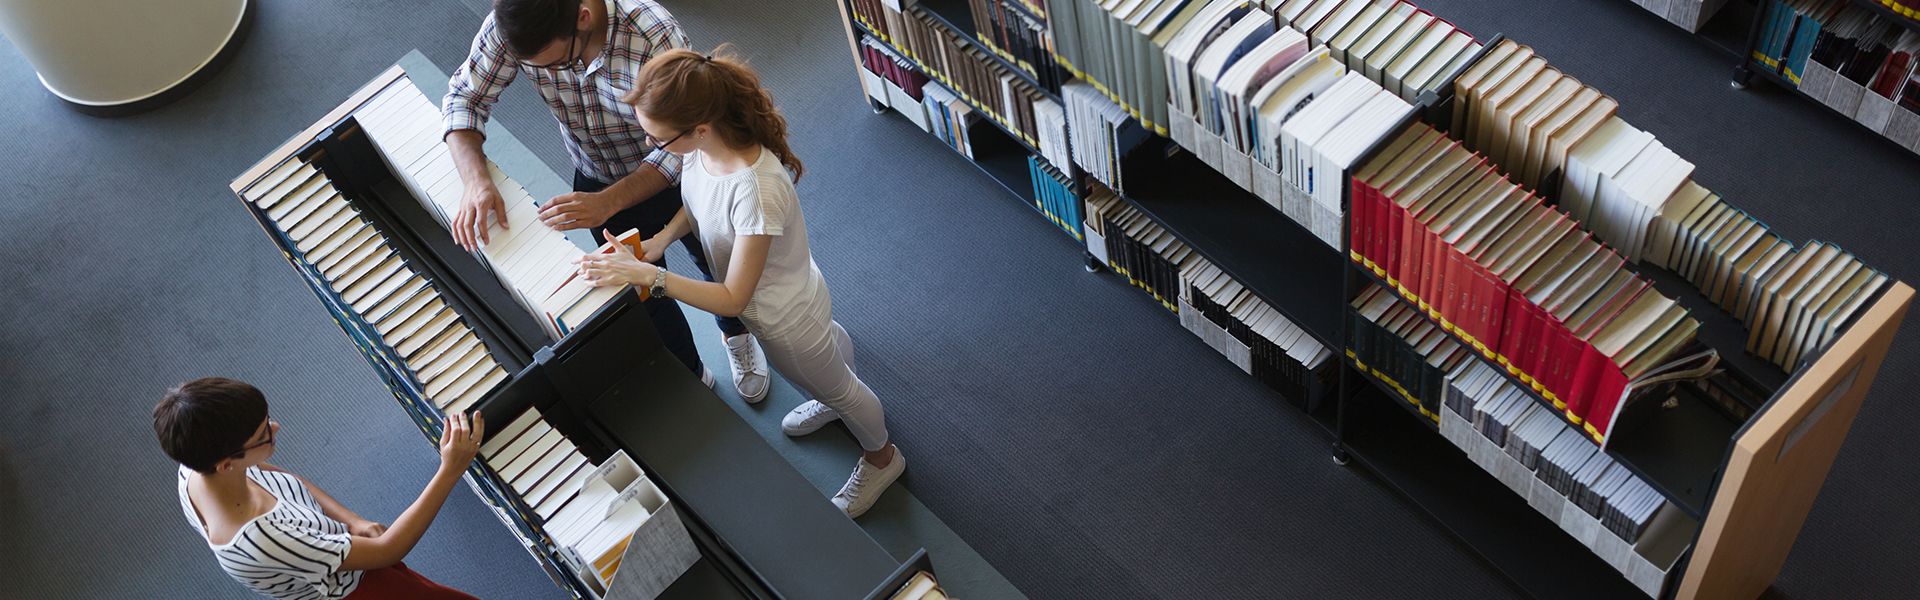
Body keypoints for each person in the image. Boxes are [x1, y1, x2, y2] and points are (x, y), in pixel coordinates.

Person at [576, 47, 906, 518]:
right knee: (830, 362)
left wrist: (653, 276)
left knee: (842, 388)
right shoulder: (701, 153)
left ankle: (883, 457)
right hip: (795, 291)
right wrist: (660, 240)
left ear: (699, 129)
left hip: (785, 319)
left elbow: (733, 297)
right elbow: (696, 205)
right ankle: (831, 393)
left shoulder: (756, 189)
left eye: (658, 140)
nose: (653, 149)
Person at [442, 0, 771, 401]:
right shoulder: (515, 22)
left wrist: (608, 202)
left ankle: (736, 334)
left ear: (583, 18)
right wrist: (475, 180)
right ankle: (690, 374)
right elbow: (464, 98)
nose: (547, 75)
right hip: (595, 174)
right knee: (640, 292)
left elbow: (680, 147)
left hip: (687, 176)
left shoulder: (651, 31)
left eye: (554, 64)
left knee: (718, 261)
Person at [157, 377, 485, 599]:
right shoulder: (262, 541)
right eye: (264, 434)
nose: (275, 427)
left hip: (337, 553)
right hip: (358, 590)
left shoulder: (196, 469)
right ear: (227, 463)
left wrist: (352, 522)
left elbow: (278, 478)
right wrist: (450, 470)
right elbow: (389, 549)